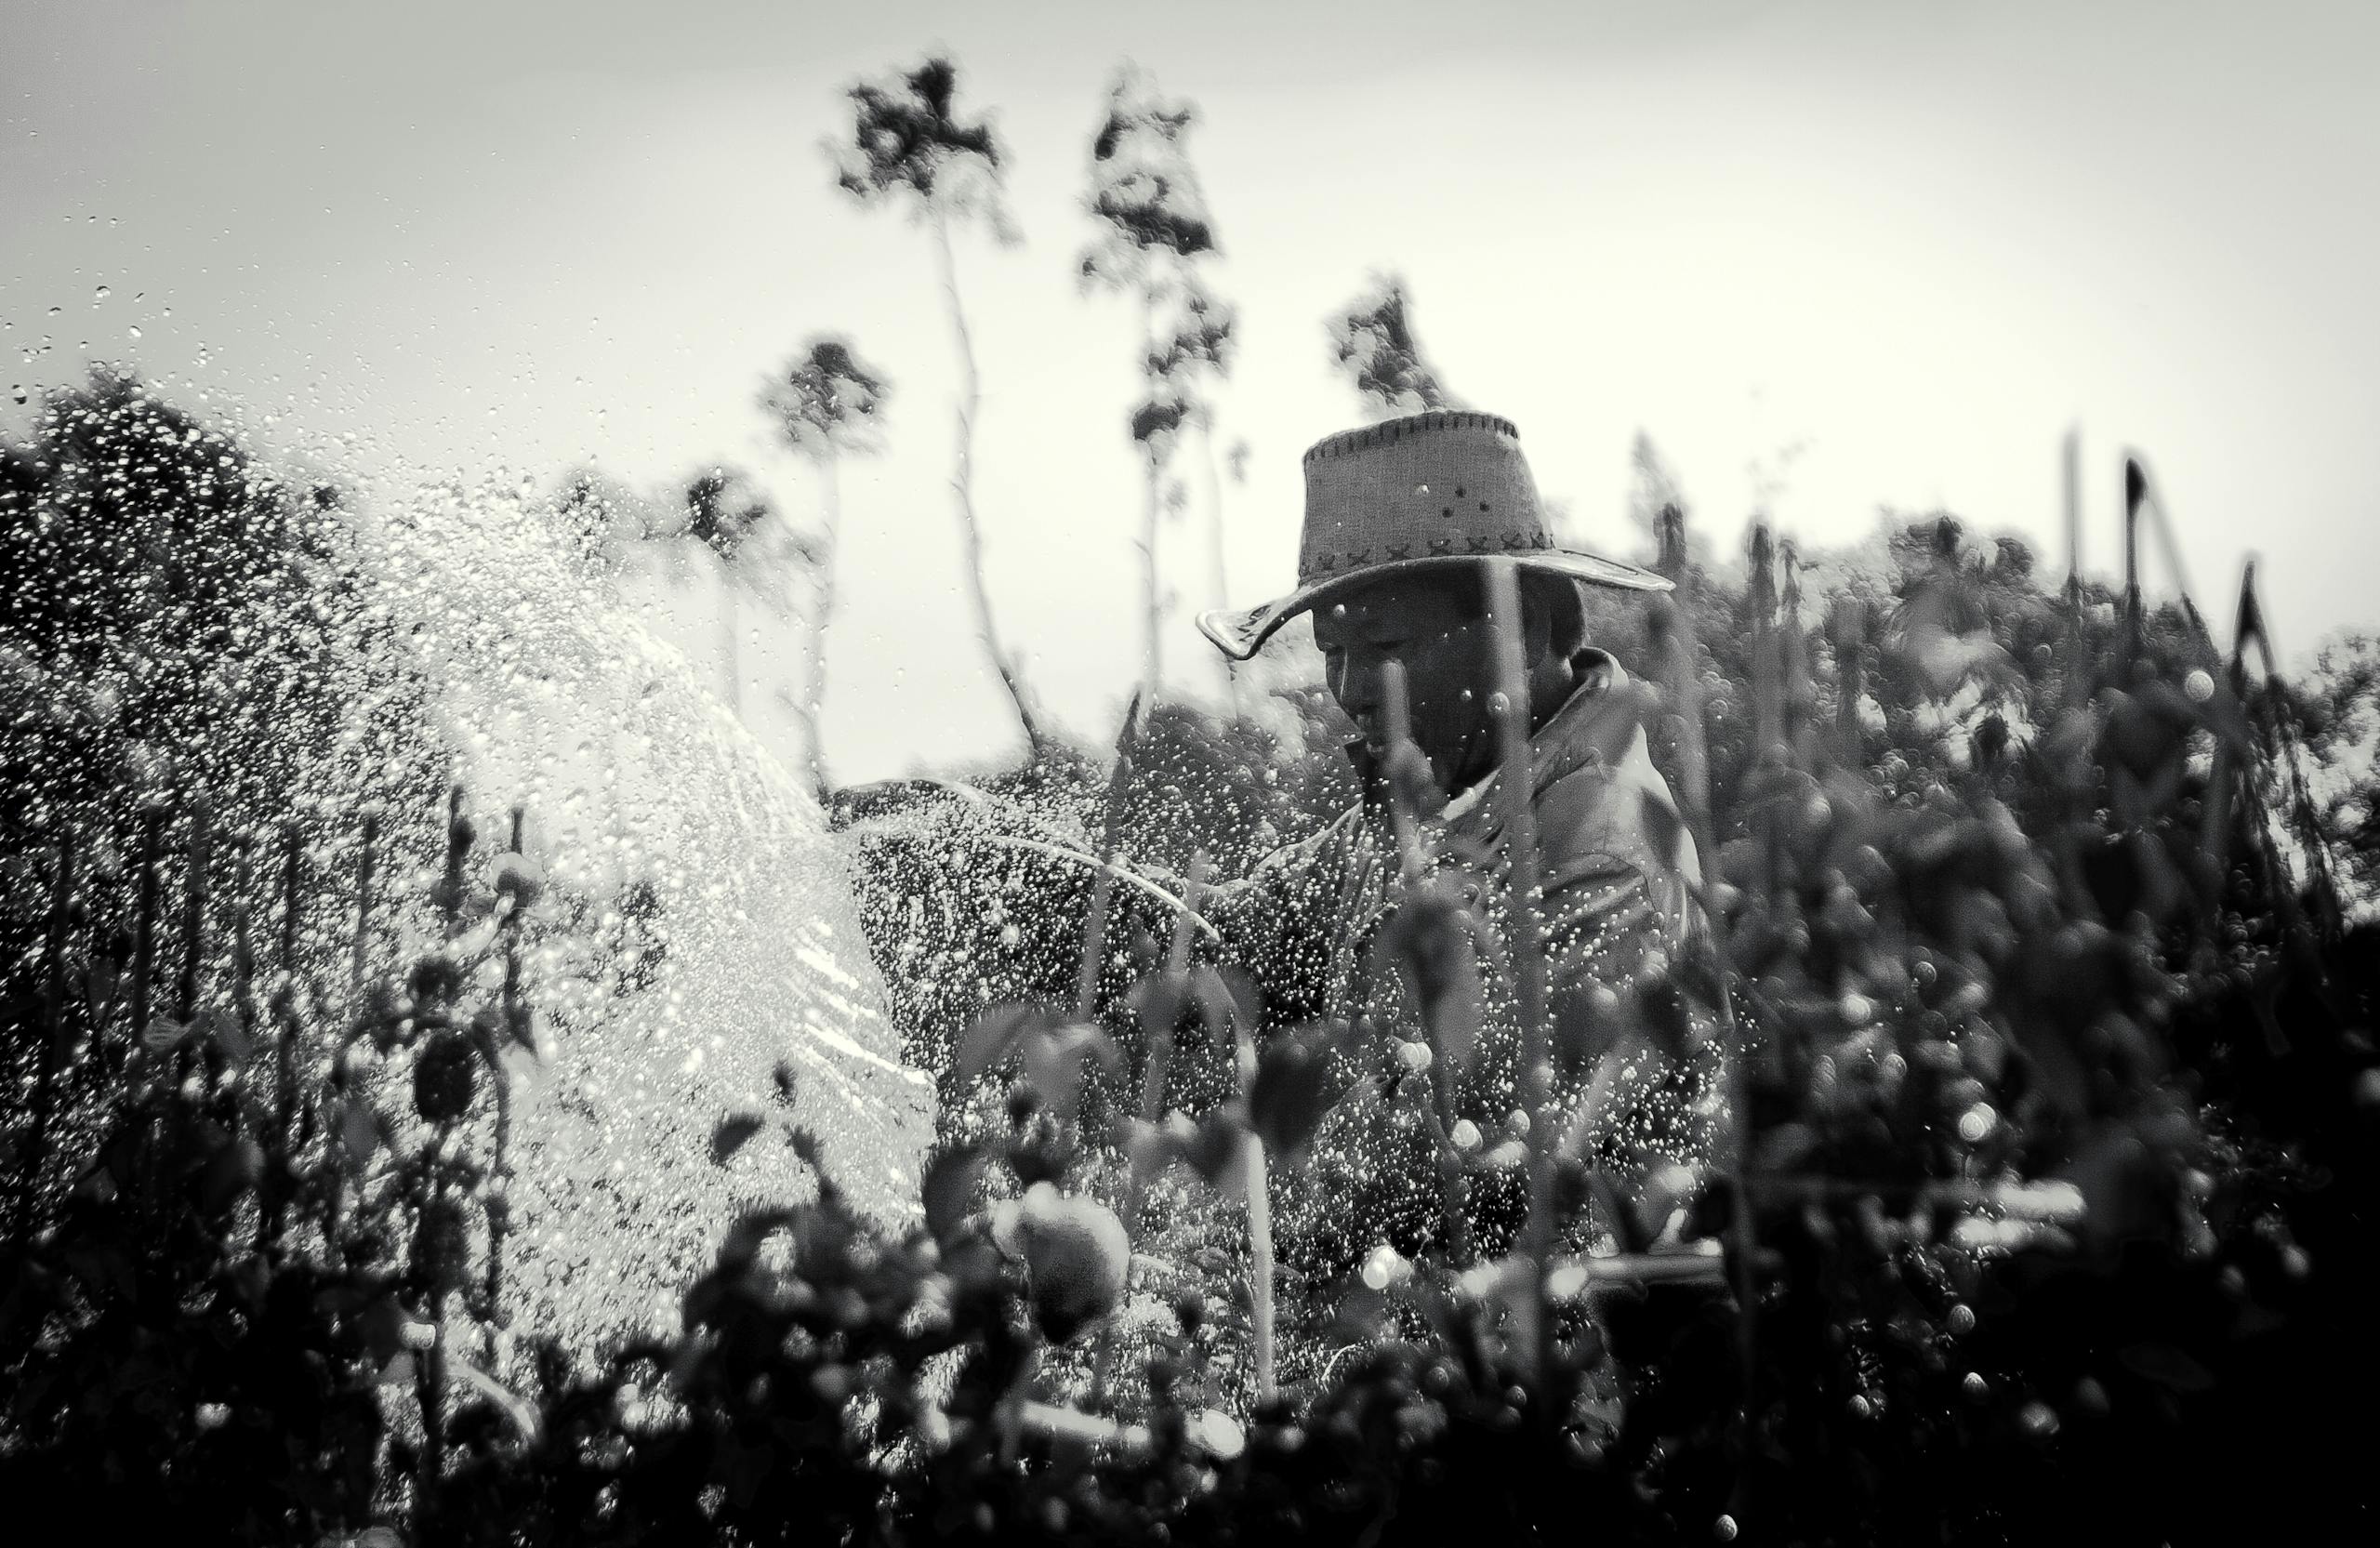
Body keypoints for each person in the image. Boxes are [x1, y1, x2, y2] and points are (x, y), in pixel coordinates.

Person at [1192, 409, 1726, 1266]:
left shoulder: (1605, 841)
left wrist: (1276, 1241)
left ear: (1533, 630)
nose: (1354, 689)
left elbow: (1498, 1149)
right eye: (1334, 651)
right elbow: (1242, 933)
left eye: (1388, 645)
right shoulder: (1437, 799)